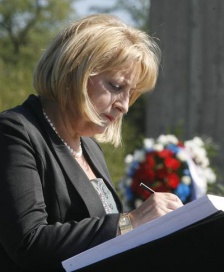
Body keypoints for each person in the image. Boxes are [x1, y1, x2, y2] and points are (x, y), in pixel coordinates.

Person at [0, 14, 183, 272]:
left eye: (131, 94)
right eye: (116, 86)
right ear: (74, 71)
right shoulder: (15, 131)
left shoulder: (90, 147)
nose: (124, 105)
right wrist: (133, 220)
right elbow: (29, 243)